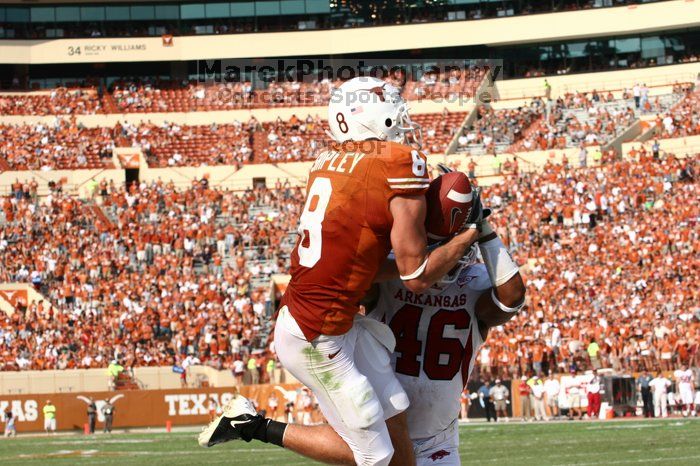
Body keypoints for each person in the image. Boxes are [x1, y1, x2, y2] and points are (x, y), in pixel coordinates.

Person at [200, 76, 493, 466]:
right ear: (370, 117)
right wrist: (470, 234)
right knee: (375, 456)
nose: (401, 122)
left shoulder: (327, 163)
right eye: (394, 112)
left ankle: (249, 423)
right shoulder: (398, 164)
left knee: (395, 411)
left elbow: (367, 266)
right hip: (315, 338)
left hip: (330, 323)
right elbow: (417, 276)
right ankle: (253, 425)